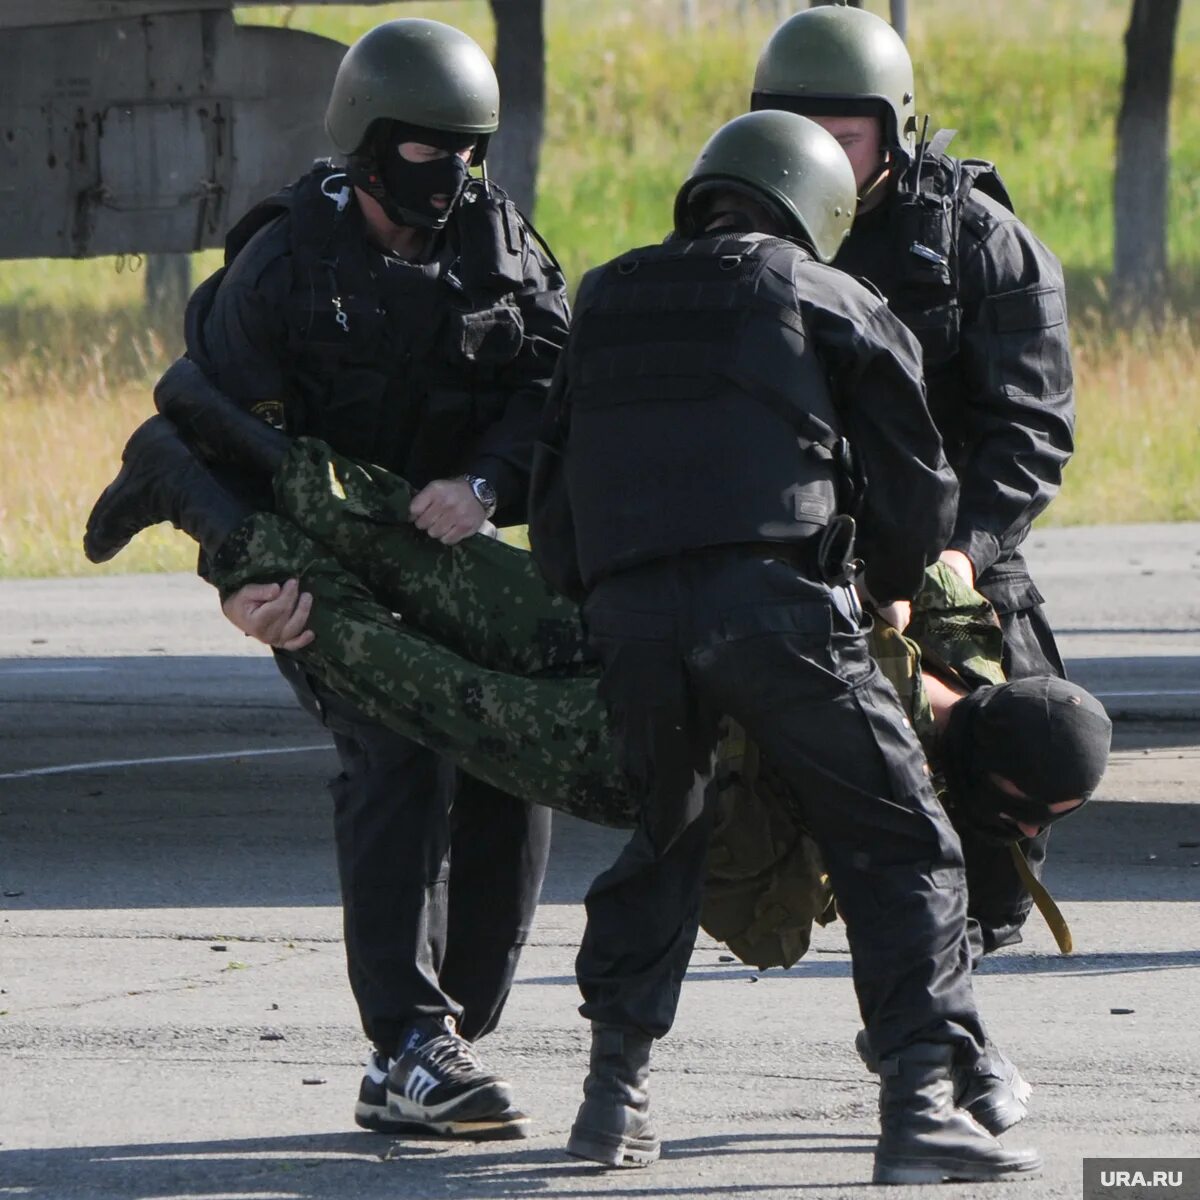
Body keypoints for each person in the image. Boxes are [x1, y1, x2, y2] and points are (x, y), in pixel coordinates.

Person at [84, 385, 1104, 1155]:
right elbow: (765, 916)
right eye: (1026, 818)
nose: (1023, 837)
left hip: (640, 614)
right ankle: (197, 491)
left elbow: (917, 552)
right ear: (999, 787)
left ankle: (214, 431)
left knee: (430, 563)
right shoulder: (892, 774)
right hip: (613, 734)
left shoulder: (952, 641)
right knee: (384, 656)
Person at [528, 109, 1041, 1183]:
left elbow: (554, 494)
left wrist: (608, 605)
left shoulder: (607, 294)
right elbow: (918, 482)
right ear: (817, 207)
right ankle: (920, 1105)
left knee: (666, 839)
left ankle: (611, 1098)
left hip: (630, 620)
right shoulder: (825, 292)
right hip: (777, 611)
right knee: (902, 839)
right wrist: (892, 589)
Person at [89, 18, 571, 1141]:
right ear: (367, 140)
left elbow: (554, 396)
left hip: (448, 556)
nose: (449, 173)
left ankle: (447, 1032)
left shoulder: (501, 248)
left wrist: (486, 485)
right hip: (315, 564)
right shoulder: (283, 266)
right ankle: (408, 1038)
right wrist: (240, 587)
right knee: (397, 745)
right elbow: (213, 436)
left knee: (517, 749)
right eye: (425, 148)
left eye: (467, 149)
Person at [750, 4, 1076, 956]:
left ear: (892, 132)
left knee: (1026, 738)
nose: (817, 159)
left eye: (842, 138)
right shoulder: (742, 235)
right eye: (797, 133)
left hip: (948, 549)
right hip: (796, 548)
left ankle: (972, 932)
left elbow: (1030, 431)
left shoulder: (983, 246)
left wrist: (956, 560)